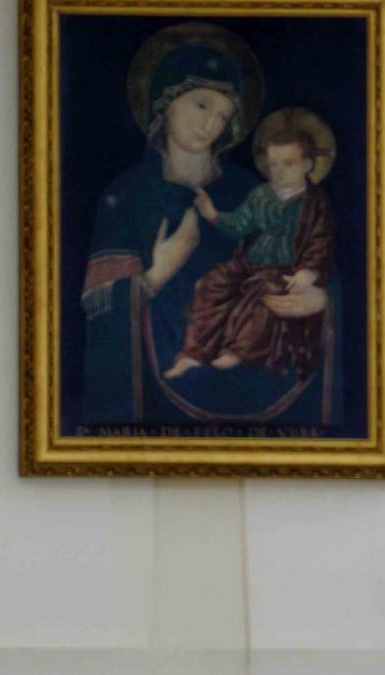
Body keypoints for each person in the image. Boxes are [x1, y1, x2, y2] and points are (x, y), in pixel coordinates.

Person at [77, 26, 337, 426]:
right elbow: (98, 311)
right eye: (202, 105)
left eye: (223, 117)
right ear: (166, 101)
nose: (211, 125)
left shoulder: (253, 189)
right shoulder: (125, 195)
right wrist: (158, 274)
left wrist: (320, 301)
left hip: (262, 363)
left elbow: (315, 259)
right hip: (157, 385)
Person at [165, 122, 334, 379]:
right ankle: (194, 353)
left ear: (307, 165)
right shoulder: (260, 195)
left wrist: (308, 271)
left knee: (264, 297)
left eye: (288, 164)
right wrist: (213, 214)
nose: (278, 172)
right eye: (273, 165)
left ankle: (238, 351)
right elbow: (240, 224)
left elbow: (320, 241)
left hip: (284, 271)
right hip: (248, 264)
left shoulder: (315, 203)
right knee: (211, 284)